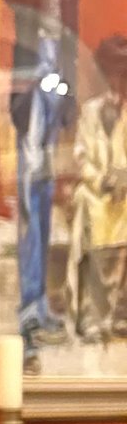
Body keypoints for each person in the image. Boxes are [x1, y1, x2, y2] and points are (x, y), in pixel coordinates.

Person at [1, 0, 86, 353]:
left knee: (47, 174)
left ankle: (38, 303)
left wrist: (72, 77)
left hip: (59, 53)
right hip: (34, 53)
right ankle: (29, 304)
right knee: (31, 168)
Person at [67, 33, 127, 340]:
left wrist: (122, 179)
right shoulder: (90, 112)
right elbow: (80, 156)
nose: (116, 82)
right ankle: (90, 314)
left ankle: (120, 312)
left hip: (123, 194)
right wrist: (100, 179)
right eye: (112, 74)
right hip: (96, 190)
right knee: (86, 205)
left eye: (122, 75)